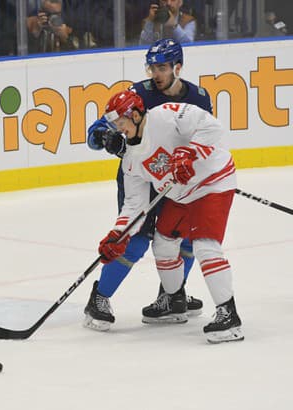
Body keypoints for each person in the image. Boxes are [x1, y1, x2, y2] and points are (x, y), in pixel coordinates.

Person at [96, 89, 243, 344]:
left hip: (212, 182)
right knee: (163, 243)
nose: (120, 130)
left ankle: (228, 314)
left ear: (136, 114)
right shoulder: (130, 160)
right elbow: (134, 205)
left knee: (205, 246)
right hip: (182, 195)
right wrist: (118, 235)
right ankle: (174, 301)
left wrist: (189, 153)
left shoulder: (166, 116)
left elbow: (213, 128)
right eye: (116, 126)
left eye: (122, 123)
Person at [84, 39, 212, 331]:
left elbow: (205, 137)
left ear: (178, 67)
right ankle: (99, 297)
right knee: (136, 237)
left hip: (177, 179)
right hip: (141, 175)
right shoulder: (138, 93)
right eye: (152, 66)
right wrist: (106, 138)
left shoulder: (200, 97)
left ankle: (171, 295)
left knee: (184, 235)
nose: (156, 73)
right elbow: (96, 131)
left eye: (162, 67)